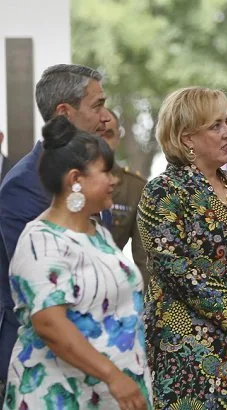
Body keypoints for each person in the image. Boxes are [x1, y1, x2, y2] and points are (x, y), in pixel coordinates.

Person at [137, 86, 227, 409]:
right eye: (216, 126)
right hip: (192, 354)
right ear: (187, 138)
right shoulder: (163, 191)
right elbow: (175, 270)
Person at [2, 116, 151, 410]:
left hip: (108, 396)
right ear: (75, 180)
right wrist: (112, 376)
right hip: (60, 395)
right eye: (105, 172)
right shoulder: (41, 239)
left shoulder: (97, 233)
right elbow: (49, 323)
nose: (114, 180)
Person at [0, 64, 110, 402]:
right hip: (45, 366)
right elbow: (48, 293)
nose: (106, 118)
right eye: (97, 105)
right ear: (64, 113)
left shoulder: (82, 178)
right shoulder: (23, 187)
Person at [102, 109, 149, 283]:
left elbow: (144, 260)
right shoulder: (69, 180)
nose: (102, 141)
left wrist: (143, 308)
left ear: (118, 138)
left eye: (109, 134)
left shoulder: (134, 187)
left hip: (114, 285)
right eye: (97, 133)